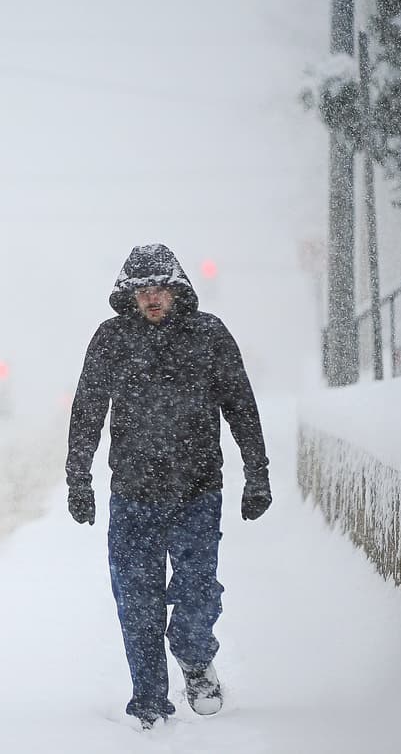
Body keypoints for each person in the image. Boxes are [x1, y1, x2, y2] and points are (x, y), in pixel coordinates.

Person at [64, 243, 271, 729]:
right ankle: (150, 701)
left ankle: (195, 657)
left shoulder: (209, 336)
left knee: (198, 591)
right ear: (128, 296)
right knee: (137, 602)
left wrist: (257, 473)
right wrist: (79, 478)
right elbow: (88, 411)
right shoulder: (111, 340)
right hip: (133, 494)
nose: (152, 299)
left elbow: (240, 404)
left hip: (197, 489)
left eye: (159, 289)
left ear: (176, 290)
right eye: (142, 291)